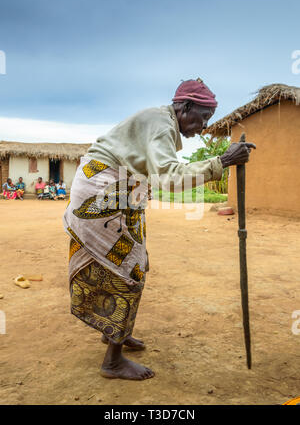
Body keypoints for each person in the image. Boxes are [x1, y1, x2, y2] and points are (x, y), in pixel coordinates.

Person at [63, 78, 256, 381]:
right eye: (202, 117)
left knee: (135, 260)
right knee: (129, 269)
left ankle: (116, 331)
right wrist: (222, 161)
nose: (203, 126)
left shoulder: (160, 122)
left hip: (118, 190)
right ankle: (112, 362)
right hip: (103, 191)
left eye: (208, 119)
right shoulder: (161, 123)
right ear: (184, 107)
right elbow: (169, 177)